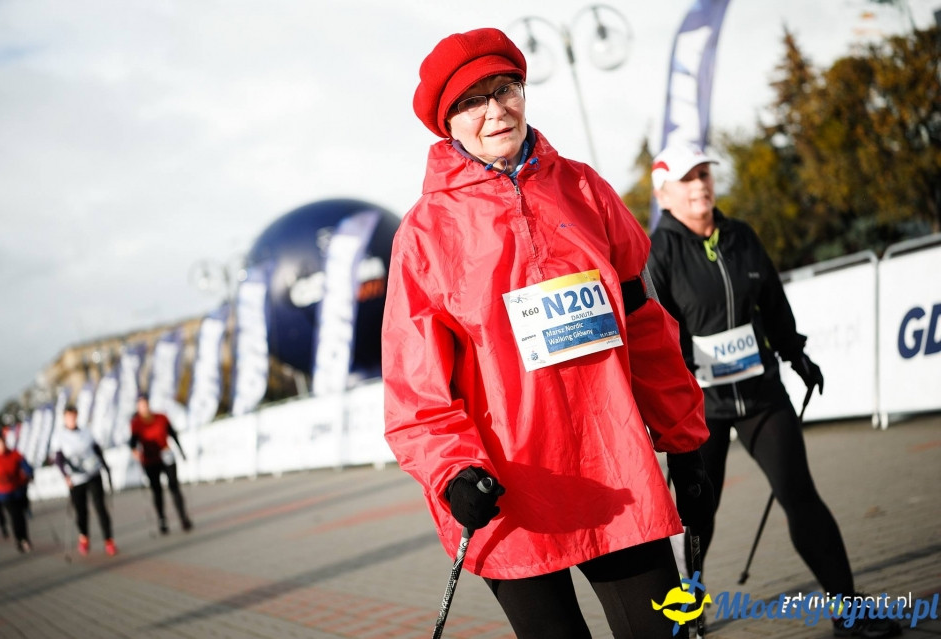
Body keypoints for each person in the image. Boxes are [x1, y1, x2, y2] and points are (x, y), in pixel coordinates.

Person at [382, 28, 711, 639]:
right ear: (447, 124)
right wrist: (453, 473)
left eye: (505, 89)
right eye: (471, 101)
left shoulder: (584, 189)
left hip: (614, 471)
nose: (495, 111)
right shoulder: (424, 235)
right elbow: (415, 392)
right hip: (507, 495)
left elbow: (643, 324)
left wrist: (684, 437)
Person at [647, 143, 902, 638]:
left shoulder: (740, 236)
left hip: (761, 394)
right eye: (687, 177)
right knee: (698, 515)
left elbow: (773, 303)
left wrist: (795, 354)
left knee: (800, 496)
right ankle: (688, 612)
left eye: (704, 174)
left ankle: (849, 612)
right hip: (700, 408)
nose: (700, 184)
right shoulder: (659, 252)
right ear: (664, 194)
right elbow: (657, 333)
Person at [55, 405, 118, 556]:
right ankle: (84, 537)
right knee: (81, 511)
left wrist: (105, 466)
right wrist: (66, 476)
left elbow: (97, 450)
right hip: (76, 479)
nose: (71, 419)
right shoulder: (60, 436)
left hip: (93, 474)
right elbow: (58, 459)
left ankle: (109, 540)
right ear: (64, 418)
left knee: (100, 508)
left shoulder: (86, 431)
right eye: (68, 416)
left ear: (76, 416)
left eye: (73, 416)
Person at [129, 394, 192, 534]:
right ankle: (162, 519)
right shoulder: (136, 423)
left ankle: (183, 517)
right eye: (141, 405)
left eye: (145, 404)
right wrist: (134, 451)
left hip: (166, 455)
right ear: (138, 407)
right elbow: (133, 442)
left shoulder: (161, 417)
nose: (144, 408)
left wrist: (181, 451)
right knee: (157, 490)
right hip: (150, 460)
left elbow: (172, 434)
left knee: (174, 486)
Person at [0, 433, 33, 552]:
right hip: (4, 494)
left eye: (2, 443)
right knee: (15, 516)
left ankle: (25, 537)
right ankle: (20, 539)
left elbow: (26, 467)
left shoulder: (15, 455)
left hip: (19, 491)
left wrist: (29, 474)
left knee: (21, 516)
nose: (0, 446)